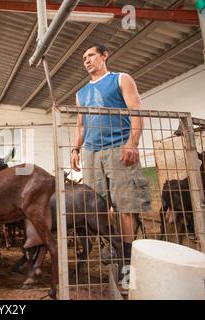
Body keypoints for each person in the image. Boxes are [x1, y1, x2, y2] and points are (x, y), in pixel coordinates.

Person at [70, 43, 151, 269]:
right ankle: (112, 246)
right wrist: (76, 149)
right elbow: (81, 125)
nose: (86, 60)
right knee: (96, 208)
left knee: (125, 207)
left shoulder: (121, 79)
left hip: (119, 149)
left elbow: (137, 111)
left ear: (104, 56)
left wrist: (132, 143)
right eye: (83, 57)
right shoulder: (81, 93)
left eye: (91, 55)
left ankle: (127, 262)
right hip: (92, 154)